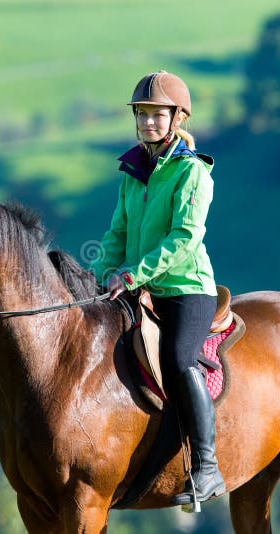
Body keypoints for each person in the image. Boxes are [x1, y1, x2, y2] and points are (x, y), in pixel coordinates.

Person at [89, 70, 225, 506]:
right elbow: (116, 233)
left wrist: (131, 275)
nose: (148, 122)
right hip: (140, 287)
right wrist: (94, 280)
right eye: (142, 114)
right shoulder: (133, 171)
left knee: (180, 358)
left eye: (156, 115)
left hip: (186, 289)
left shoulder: (192, 173)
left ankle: (207, 467)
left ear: (177, 118)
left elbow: (184, 240)